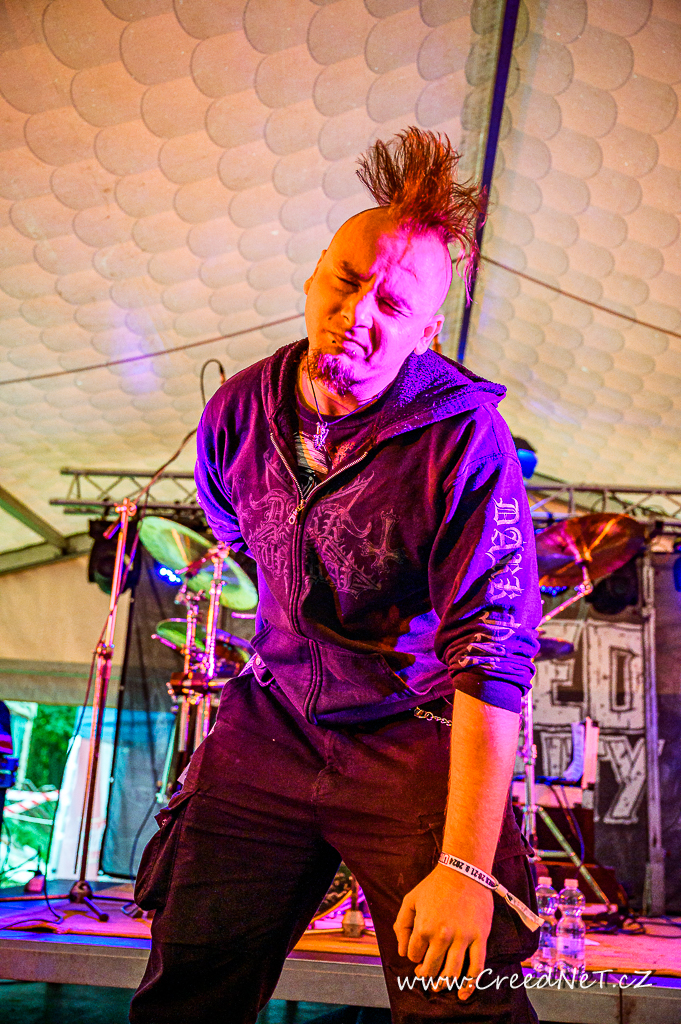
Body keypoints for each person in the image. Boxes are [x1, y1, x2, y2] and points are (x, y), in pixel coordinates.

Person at [130, 128, 541, 1024]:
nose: (358, 313)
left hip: (412, 732)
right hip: (273, 719)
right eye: (347, 281)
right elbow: (239, 535)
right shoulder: (236, 409)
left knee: (458, 1002)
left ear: (427, 332)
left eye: (391, 303)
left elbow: (493, 653)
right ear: (314, 276)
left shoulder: (463, 438)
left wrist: (466, 867)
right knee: (187, 986)